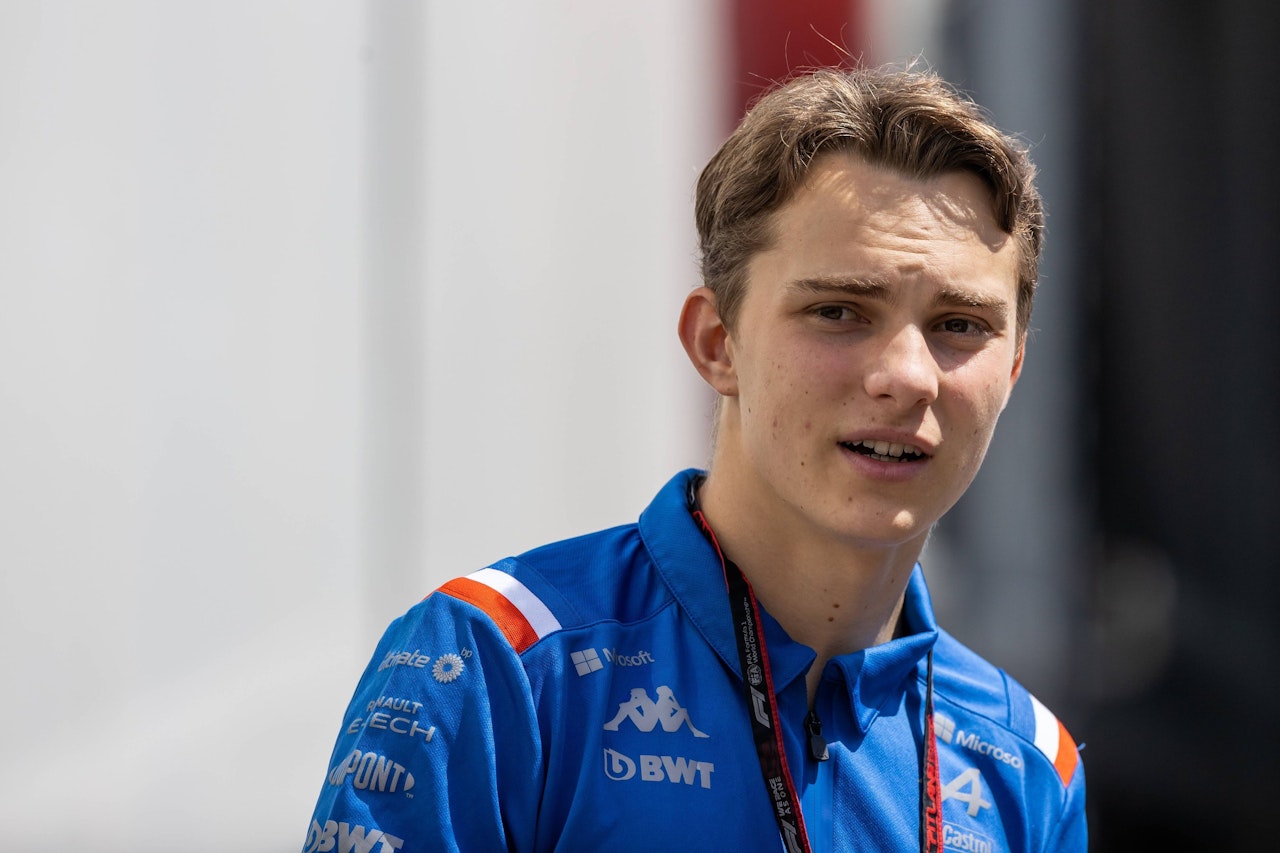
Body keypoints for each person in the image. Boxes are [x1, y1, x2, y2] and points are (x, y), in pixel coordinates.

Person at [302, 65, 1086, 853]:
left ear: (1013, 368)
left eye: (960, 325)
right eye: (839, 311)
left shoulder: (1025, 761)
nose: (909, 375)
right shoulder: (495, 660)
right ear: (717, 344)